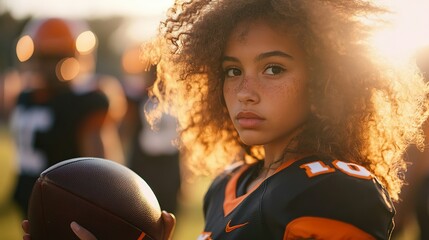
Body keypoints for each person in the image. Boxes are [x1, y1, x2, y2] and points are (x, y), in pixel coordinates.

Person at [23, 0, 429, 239]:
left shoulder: (333, 190)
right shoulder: (228, 183)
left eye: (273, 69)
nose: (244, 91)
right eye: (233, 70)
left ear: (326, 83)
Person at [11, 17, 110, 218]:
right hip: (64, 199)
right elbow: (101, 171)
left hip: (27, 194)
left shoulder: (24, 98)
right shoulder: (85, 102)